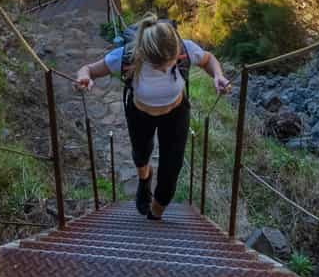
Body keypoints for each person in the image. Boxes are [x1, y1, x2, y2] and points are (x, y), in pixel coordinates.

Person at [74, 15, 231, 220]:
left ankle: (155, 214)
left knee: (172, 169)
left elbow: (208, 59)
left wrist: (218, 75)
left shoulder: (185, 48)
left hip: (176, 113)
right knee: (141, 153)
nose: (168, 67)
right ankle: (144, 180)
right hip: (140, 113)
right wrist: (83, 78)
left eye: (173, 60)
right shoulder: (125, 56)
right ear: (144, 55)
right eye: (162, 66)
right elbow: (89, 69)